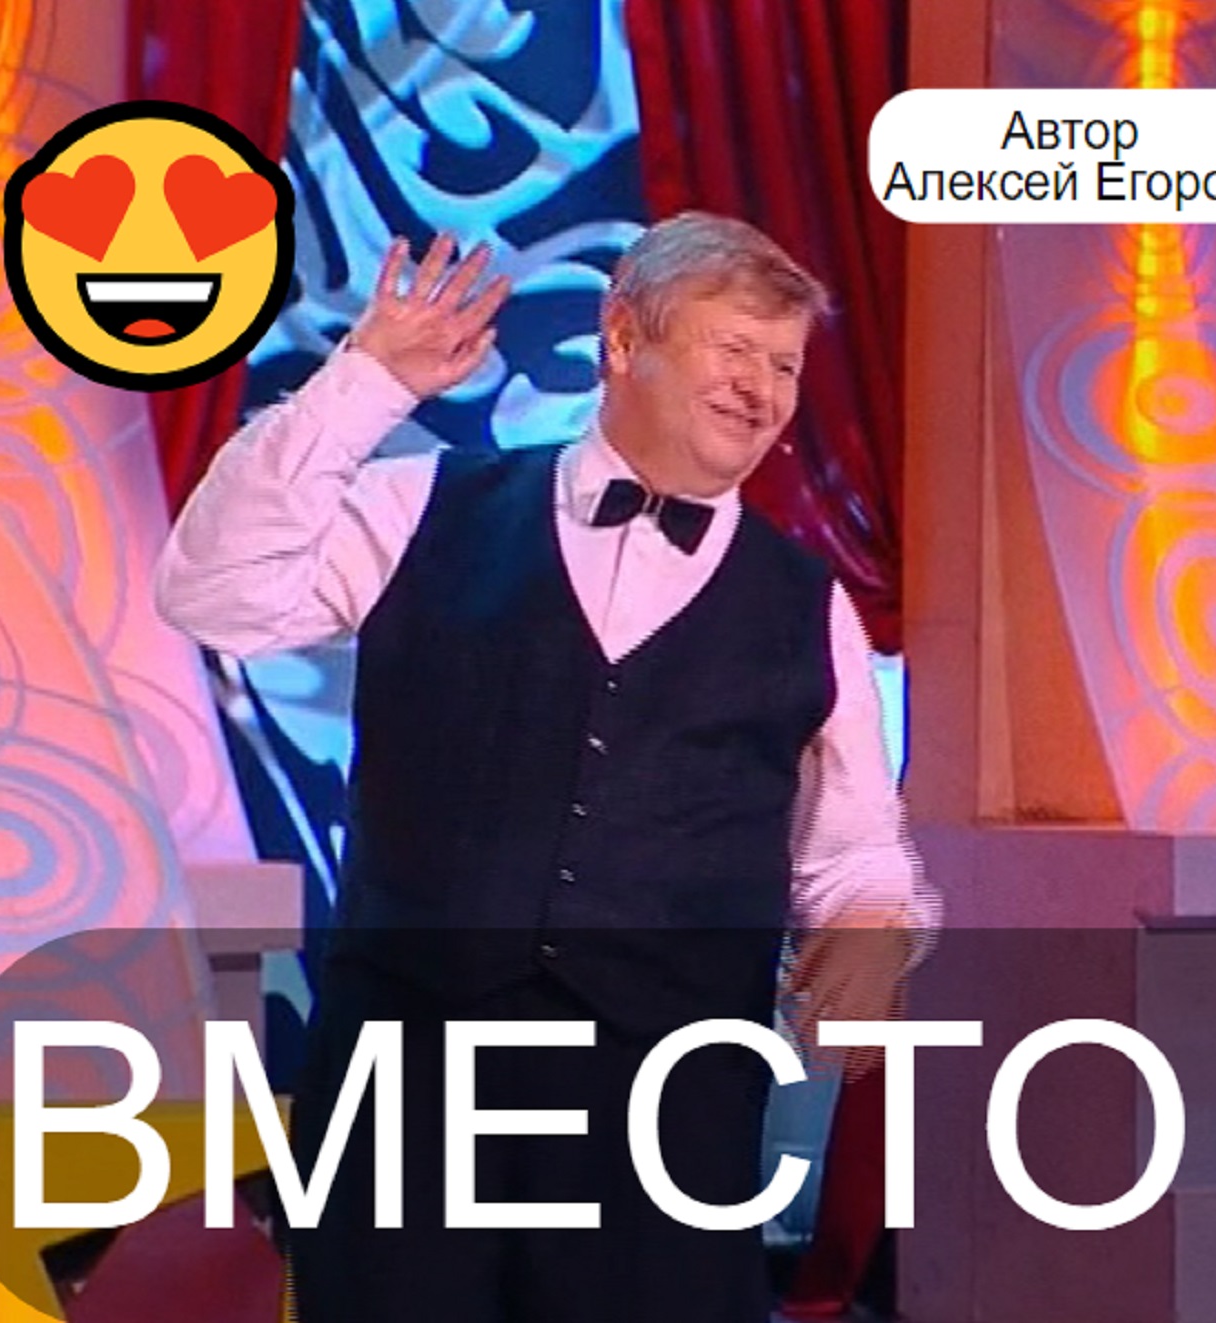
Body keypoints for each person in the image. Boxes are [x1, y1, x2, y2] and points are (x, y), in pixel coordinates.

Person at [156, 214, 937, 1323]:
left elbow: (850, 847)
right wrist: (366, 383)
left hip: (666, 1115)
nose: (760, 389)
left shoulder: (810, 606)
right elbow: (213, 591)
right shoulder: (423, 505)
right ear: (623, 339)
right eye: (733, 349)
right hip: (408, 1090)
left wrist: (867, 932)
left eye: (784, 366)